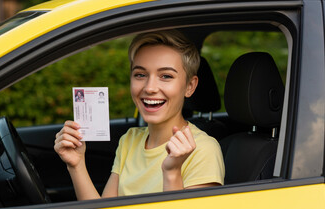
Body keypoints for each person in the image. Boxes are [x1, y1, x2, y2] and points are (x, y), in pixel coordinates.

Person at [54, 30, 225, 200]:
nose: (149, 88)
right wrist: (76, 164)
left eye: (166, 76)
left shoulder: (203, 149)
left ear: (190, 86)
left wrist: (172, 172)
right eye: (140, 75)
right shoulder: (130, 140)